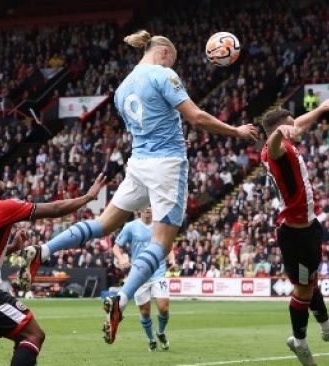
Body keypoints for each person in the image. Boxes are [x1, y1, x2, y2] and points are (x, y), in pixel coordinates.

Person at [18, 29, 258, 345]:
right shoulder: (163, 74)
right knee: (162, 241)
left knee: (104, 223)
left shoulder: (121, 89)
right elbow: (197, 117)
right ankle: (122, 298)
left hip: (139, 164)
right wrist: (236, 131)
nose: (172, 65)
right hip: (166, 166)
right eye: (171, 59)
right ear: (163, 53)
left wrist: (173, 137)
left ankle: (44, 249)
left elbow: (151, 126)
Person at [0, 165, 105, 366]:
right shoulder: (1, 207)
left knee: (24, 338)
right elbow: (55, 209)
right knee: (34, 335)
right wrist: (88, 197)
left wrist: (12, 247)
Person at [259, 98, 329, 366]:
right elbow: (275, 143)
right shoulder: (274, 150)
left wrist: (321, 109)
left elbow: (296, 125)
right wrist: (280, 134)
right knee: (303, 290)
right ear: (279, 129)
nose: (296, 130)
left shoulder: (286, 138)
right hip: (296, 233)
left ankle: (327, 326)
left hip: (309, 225)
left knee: (311, 282)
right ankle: (299, 341)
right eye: (289, 127)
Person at [113, 208, 174, 351]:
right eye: (144, 206)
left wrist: (172, 258)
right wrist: (121, 258)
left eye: (150, 206)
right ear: (138, 208)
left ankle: (160, 332)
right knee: (145, 312)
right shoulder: (130, 227)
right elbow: (116, 247)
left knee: (163, 308)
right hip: (139, 275)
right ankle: (151, 339)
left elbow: (169, 244)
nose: (147, 209)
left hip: (158, 272)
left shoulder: (160, 226)